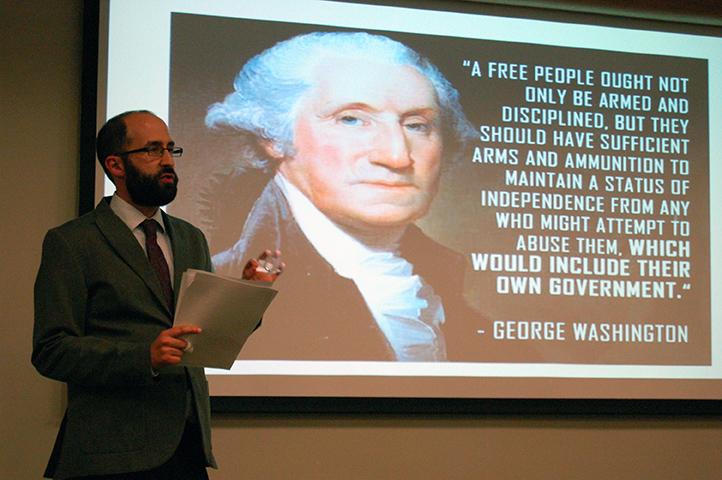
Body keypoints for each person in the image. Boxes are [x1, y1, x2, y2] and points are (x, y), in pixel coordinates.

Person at [204, 31, 482, 362]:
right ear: (272, 134)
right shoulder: (224, 289)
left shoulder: (449, 298)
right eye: (351, 119)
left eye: (417, 125)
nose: (396, 155)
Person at [32, 110, 280, 479]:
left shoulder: (189, 237)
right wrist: (143, 356)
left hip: (186, 446)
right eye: (152, 150)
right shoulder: (73, 242)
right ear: (116, 165)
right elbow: (51, 350)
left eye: (169, 149)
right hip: (111, 454)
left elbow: (201, 335)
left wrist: (244, 297)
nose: (167, 160)